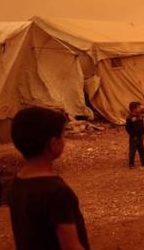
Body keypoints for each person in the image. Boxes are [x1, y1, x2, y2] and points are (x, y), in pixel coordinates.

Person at [7, 106, 90, 250]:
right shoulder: (58, 193)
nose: (64, 141)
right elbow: (71, 247)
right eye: (62, 136)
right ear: (53, 144)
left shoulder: (17, 183)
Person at [125, 101, 144, 168]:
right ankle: (131, 163)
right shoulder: (130, 118)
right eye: (138, 107)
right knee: (133, 150)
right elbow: (128, 128)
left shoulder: (140, 116)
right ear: (133, 109)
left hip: (140, 136)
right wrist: (133, 135)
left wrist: (143, 133)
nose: (140, 108)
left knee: (142, 149)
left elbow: (142, 125)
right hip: (134, 137)